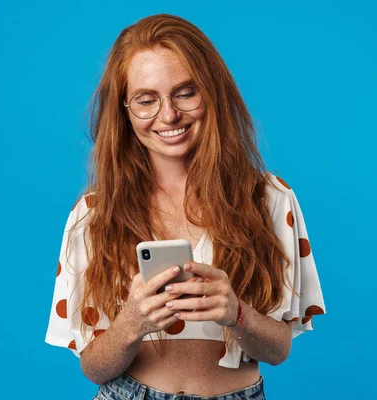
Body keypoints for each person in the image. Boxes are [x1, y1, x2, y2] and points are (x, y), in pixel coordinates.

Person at [45, 14, 326, 400]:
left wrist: (236, 312)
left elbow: (278, 350)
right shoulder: (94, 214)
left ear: (211, 93)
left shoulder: (270, 199)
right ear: (125, 112)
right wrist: (131, 324)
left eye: (185, 92)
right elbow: (93, 367)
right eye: (146, 100)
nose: (168, 115)